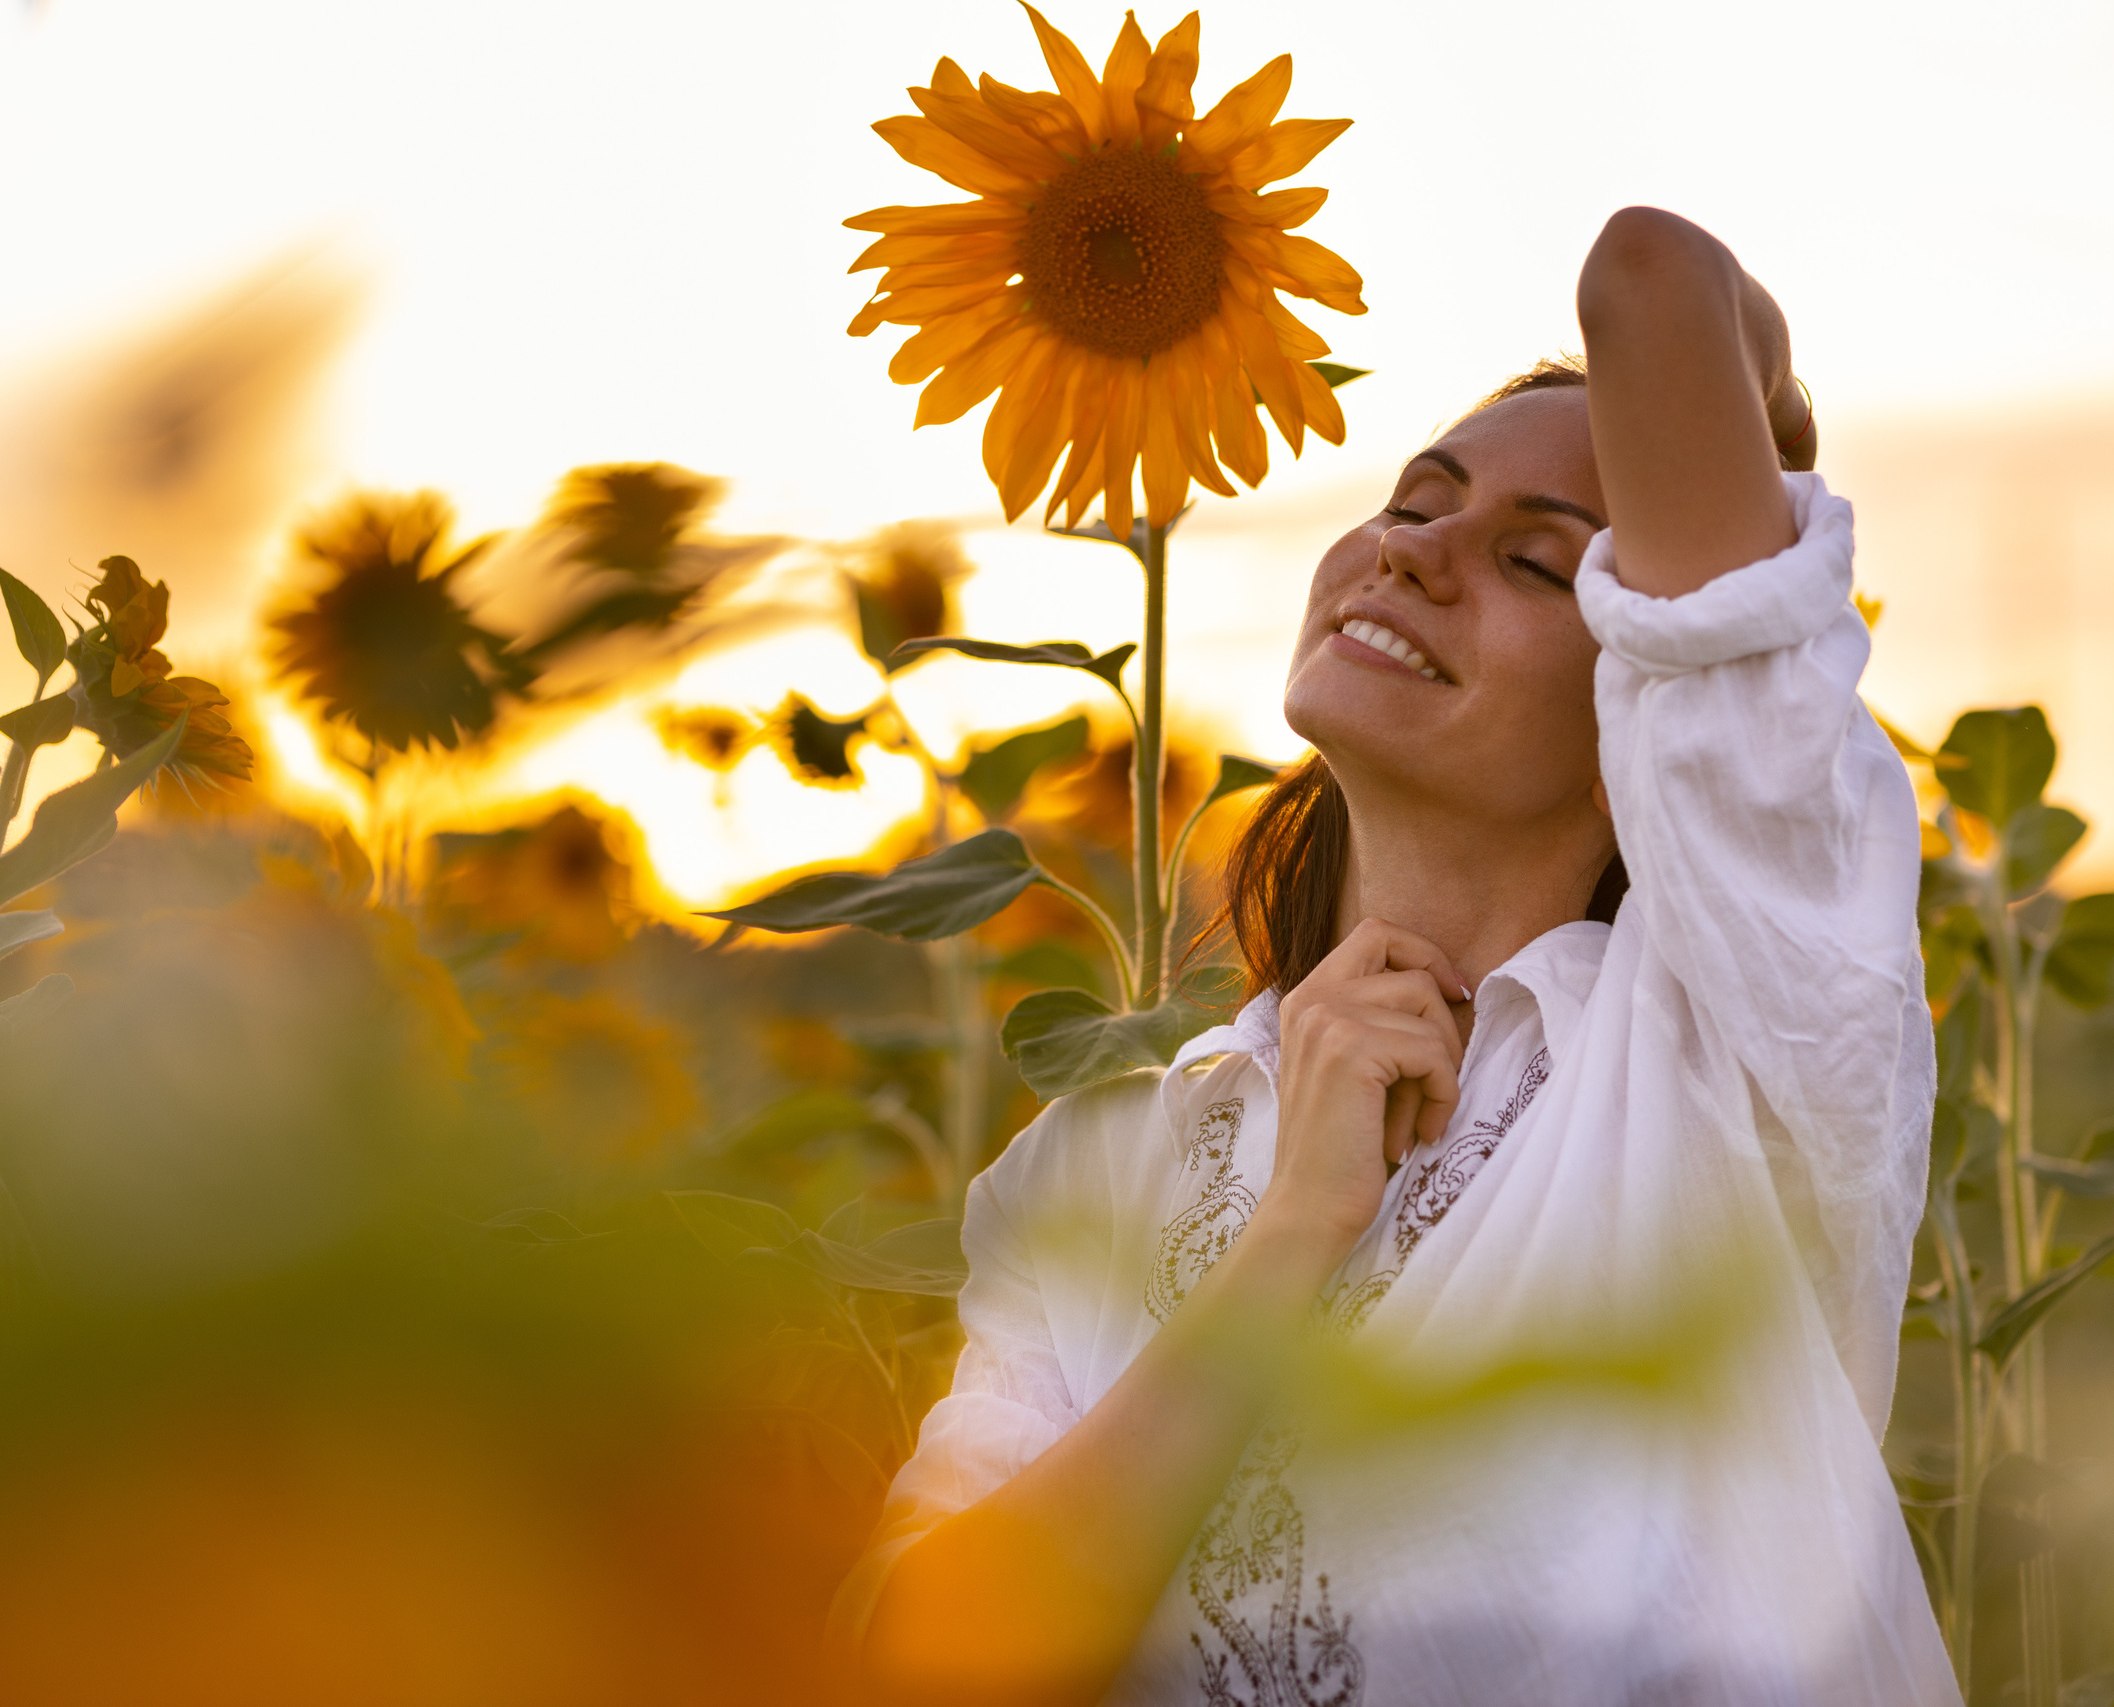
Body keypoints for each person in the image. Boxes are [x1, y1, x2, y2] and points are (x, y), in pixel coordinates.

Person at [833, 206, 1959, 1706]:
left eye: (1541, 564)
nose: (1417, 552)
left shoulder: (1724, 1056)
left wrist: (1747, 447)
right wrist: (1292, 1231)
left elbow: (1653, 279)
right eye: (1417, 501)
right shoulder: (1101, 1160)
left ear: (1656, 673)